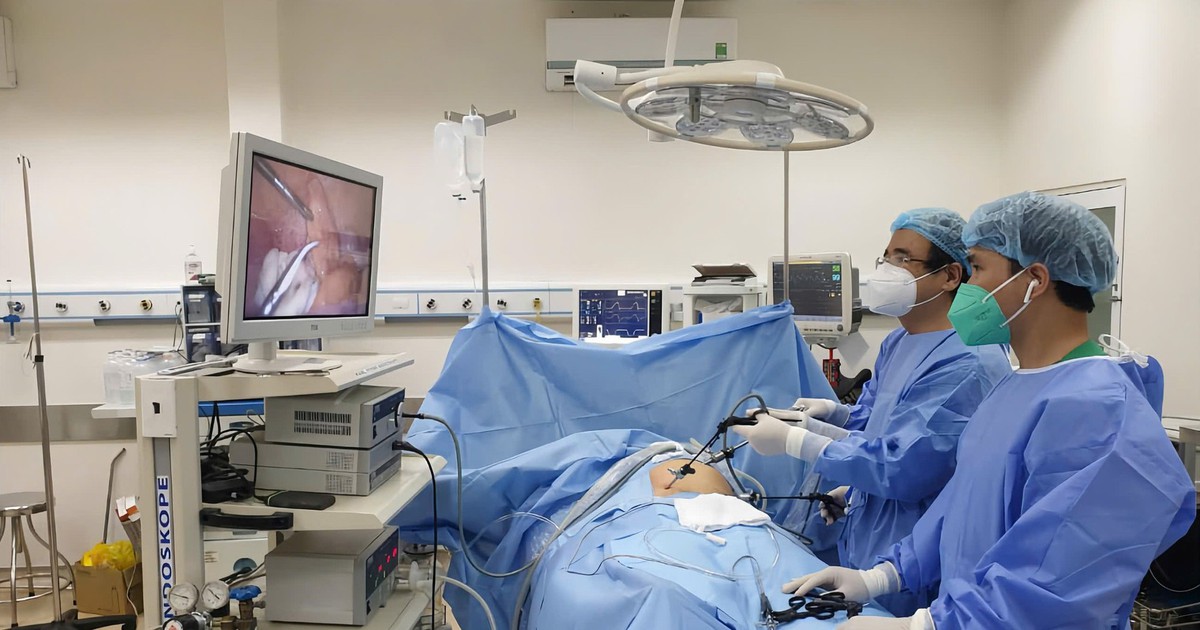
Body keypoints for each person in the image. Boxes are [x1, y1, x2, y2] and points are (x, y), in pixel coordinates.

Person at [784, 191, 1196, 629]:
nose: (968, 287)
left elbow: (1053, 587)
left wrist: (925, 625)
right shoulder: (1017, 385)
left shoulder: (1097, 412)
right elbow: (963, 505)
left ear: (1035, 280)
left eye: (978, 268)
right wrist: (883, 576)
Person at [733, 207, 1012, 615]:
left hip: (913, 561)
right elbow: (873, 428)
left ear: (951, 275)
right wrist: (826, 420)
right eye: (886, 257)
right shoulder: (901, 341)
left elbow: (903, 466)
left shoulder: (967, 362)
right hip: (871, 536)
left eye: (903, 258)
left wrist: (795, 440)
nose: (886, 269)